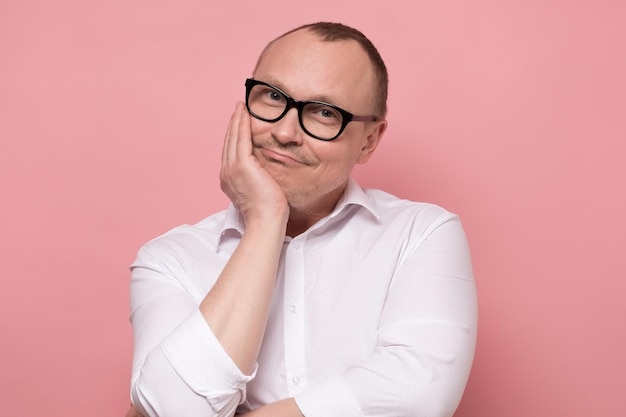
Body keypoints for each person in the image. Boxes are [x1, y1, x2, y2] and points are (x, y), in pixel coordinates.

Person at [126, 22, 477, 417]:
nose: (285, 131)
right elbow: (173, 408)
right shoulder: (169, 261)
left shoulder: (421, 235)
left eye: (325, 112)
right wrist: (265, 219)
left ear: (369, 141)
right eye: (273, 97)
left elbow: (419, 395)